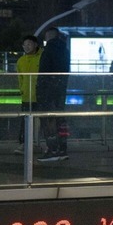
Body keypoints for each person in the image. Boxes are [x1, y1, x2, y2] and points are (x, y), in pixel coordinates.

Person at [37, 26, 71, 162]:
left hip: (47, 92)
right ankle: (62, 149)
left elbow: (43, 73)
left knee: (48, 120)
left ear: (48, 37)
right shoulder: (65, 50)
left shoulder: (48, 50)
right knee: (60, 120)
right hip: (60, 91)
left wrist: (40, 89)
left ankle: (52, 150)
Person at [15, 34, 42, 154]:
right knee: (25, 121)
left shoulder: (42, 57)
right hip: (27, 96)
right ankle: (24, 143)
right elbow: (20, 77)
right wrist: (22, 89)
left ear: (35, 44)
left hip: (41, 96)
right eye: (24, 45)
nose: (26, 47)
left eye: (29, 44)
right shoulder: (21, 60)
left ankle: (40, 143)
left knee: (43, 121)